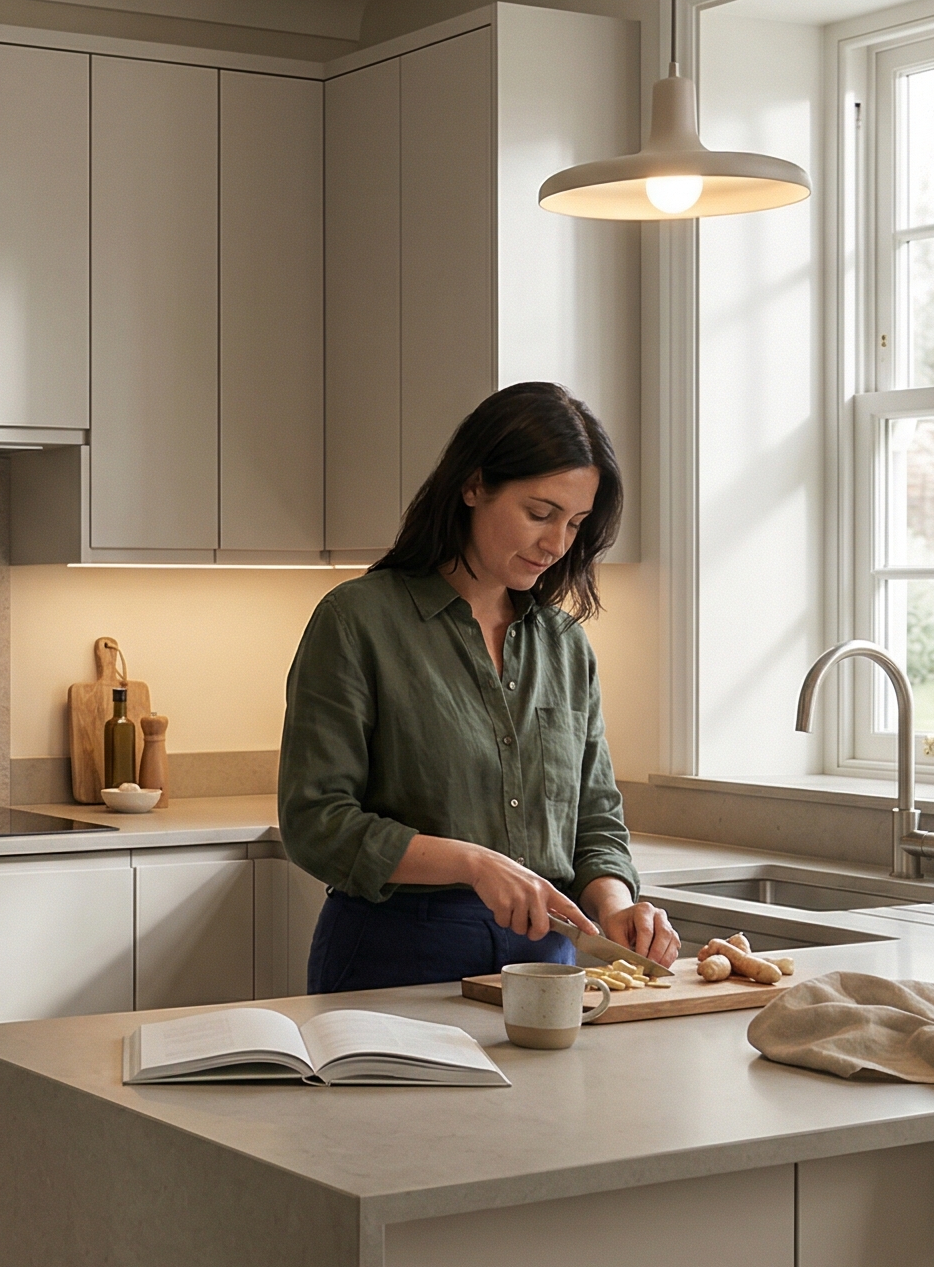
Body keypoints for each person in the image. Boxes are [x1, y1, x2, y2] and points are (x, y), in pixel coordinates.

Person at [280, 380, 679, 993]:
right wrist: (472, 863)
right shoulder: (357, 620)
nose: (557, 544)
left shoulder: (565, 645)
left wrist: (616, 904)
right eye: (539, 514)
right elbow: (316, 821)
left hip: (548, 966)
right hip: (394, 958)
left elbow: (595, 819)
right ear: (473, 485)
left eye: (575, 523)